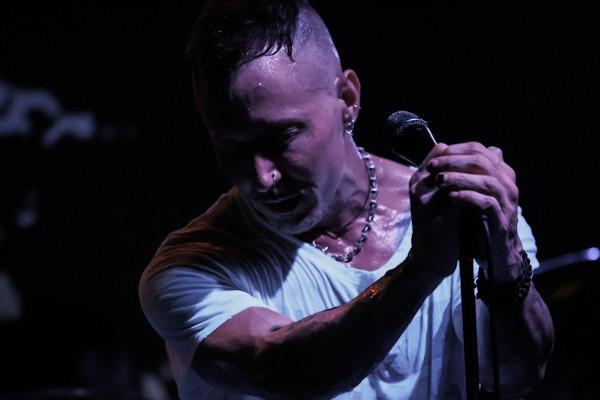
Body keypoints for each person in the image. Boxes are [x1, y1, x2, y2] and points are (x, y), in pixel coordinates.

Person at [138, 1, 554, 398]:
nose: (262, 177)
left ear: (348, 100)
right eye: (231, 148)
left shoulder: (461, 212)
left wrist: (507, 262)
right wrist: (420, 270)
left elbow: (516, 377)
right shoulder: (189, 267)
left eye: (281, 137)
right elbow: (287, 371)